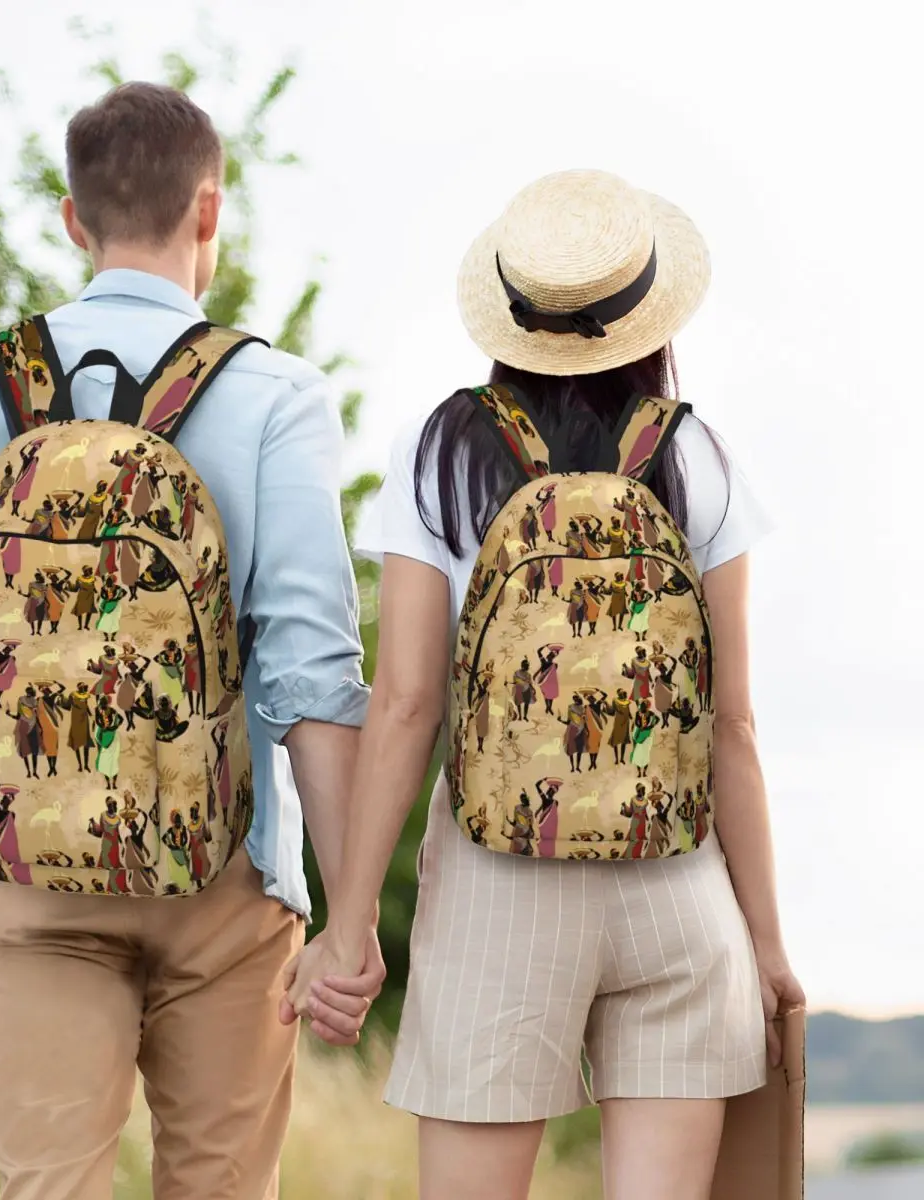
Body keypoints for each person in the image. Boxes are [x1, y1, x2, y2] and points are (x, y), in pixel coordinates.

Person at [0, 82, 382, 1200]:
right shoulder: (275, 396)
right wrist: (351, 917)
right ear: (209, 213)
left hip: (23, 874)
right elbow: (314, 679)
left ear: (73, 221)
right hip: (224, 872)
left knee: (50, 1186)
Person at [282, 169, 804, 1200]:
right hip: (677, 884)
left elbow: (407, 705)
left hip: (497, 884)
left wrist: (347, 927)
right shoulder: (697, 456)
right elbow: (734, 723)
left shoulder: (441, 452)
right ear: (648, 315)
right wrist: (767, 943)